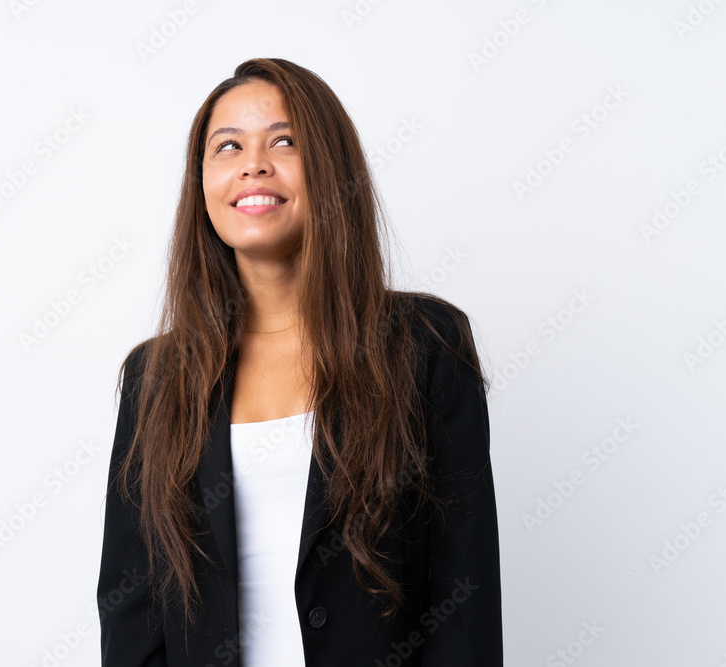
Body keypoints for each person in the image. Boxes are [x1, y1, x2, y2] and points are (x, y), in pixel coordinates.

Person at [97, 57, 502, 666]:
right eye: (228, 146)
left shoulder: (425, 345)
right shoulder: (156, 379)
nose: (253, 164)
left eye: (284, 141)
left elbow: (464, 600)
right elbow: (133, 615)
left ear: (332, 169)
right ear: (201, 184)